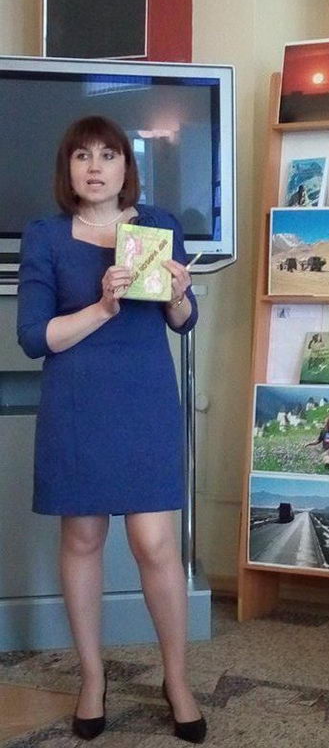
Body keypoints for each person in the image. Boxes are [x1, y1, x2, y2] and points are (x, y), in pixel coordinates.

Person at [16, 116, 206, 744]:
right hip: (77, 403)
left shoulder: (159, 225)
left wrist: (179, 292)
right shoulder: (45, 236)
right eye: (81, 156)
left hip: (144, 398)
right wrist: (101, 307)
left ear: (128, 166)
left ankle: (177, 680)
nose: (94, 166)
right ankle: (92, 679)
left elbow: (182, 320)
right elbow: (34, 337)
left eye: (108, 154)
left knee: (156, 544)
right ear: (67, 168)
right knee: (83, 539)